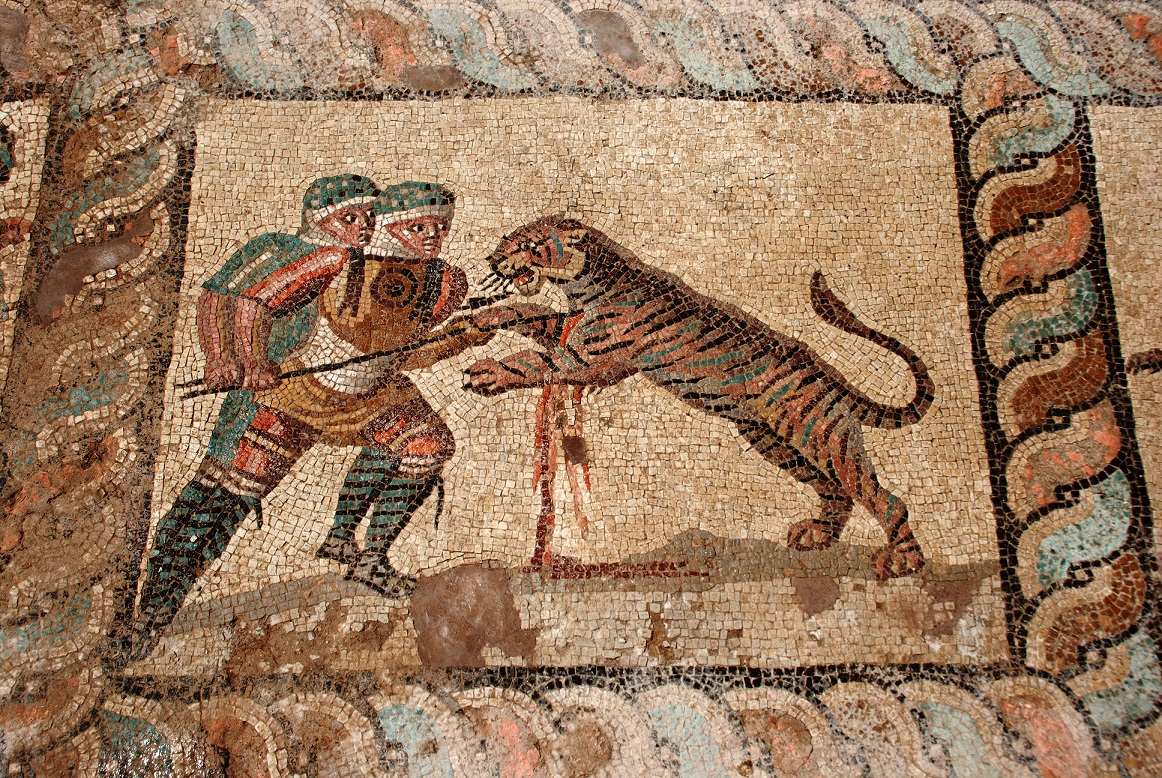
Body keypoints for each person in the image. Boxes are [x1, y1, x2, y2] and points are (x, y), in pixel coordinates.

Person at [133, 176, 488, 653]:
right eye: (417, 226)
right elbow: (246, 298)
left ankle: (366, 555)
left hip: (370, 397)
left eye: (440, 228)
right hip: (296, 395)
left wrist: (470, 332)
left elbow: (401, 352)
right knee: (228, 494)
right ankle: (157, 602)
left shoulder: (443, 282)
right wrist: (241, 359)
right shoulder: (331, 262)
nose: (432, 238)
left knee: (428, 447)